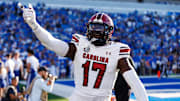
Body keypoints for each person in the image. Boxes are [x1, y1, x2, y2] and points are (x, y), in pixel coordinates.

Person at [19, 3, 148, 101]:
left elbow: (135, 83)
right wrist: (34, 25)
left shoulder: (116, 51)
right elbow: (51, 43)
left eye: (99, 28)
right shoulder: (80, 45)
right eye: (93, 27)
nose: (96, 31)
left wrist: (34, 25)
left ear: (109, 31)